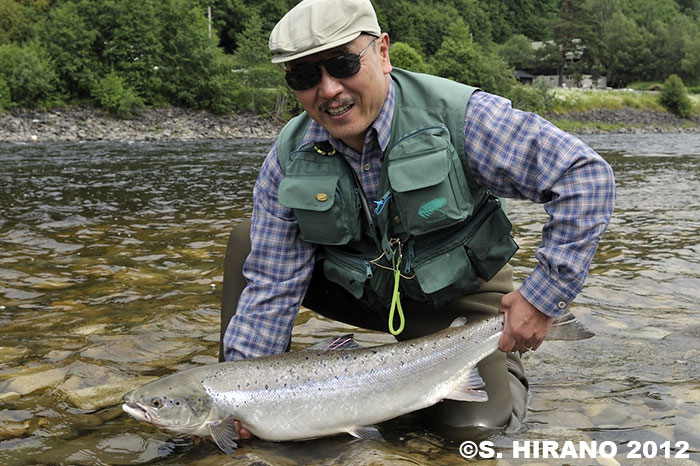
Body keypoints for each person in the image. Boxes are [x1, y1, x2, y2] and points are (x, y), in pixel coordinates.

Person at [220, 0, 615, 440]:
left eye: (343, 64)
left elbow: (585, 177)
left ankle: (486, 373)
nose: (328, 89)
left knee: (477, 433)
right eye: (305, 76)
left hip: (455, 301)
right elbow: (272, 286)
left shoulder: (461, 117)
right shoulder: (288, 156)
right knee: (248, 241)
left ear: (383, 53)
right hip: (359, 291)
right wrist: (238, 402)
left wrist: (541, 299)